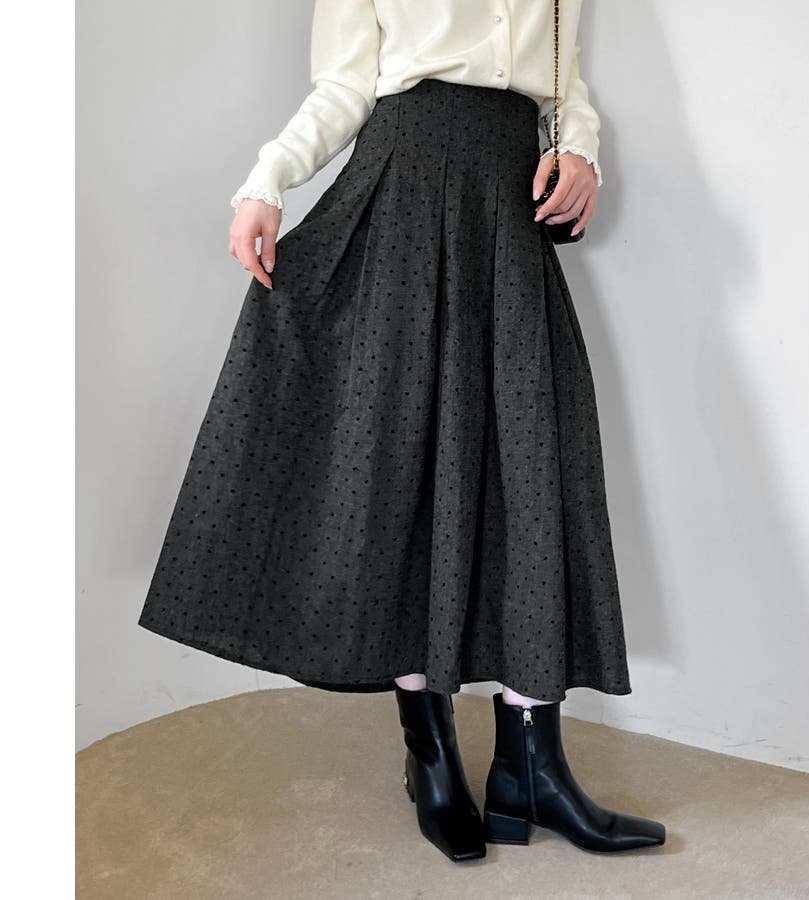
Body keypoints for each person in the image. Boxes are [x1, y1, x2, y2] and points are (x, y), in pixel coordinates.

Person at [137, 0, 666, 862]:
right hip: (402, 198)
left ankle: (532, 769)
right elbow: (344, 87)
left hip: (504, 210)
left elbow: (562, 84)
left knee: (532, 470)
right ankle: (432, 756)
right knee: (400, 471)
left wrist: (580, 150)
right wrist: (267, 180)